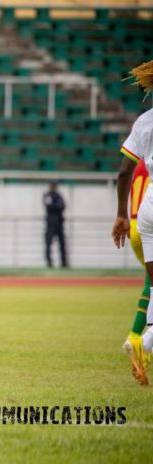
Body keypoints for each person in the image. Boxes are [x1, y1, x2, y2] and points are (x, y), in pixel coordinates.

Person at [112, 59, 153, 387]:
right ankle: (145, 342)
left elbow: (124, 171)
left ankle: (142, 343)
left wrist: (122, 214)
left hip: (147, 210)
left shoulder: (144, 121)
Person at [121, 159, 152, 383]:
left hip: (135, 226)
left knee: (150, 283)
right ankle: (141, 342)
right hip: (148, 225)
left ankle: (136, 337)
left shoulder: (139, 164)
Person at [43, 181, 67, 268]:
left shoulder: (59, 195)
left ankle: (64, 263)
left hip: (59, 223)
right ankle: (49, 262)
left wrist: (56, 206)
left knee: (62, 243)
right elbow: (49, 207)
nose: (54, 187)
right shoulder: (47, 195)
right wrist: (57, 206)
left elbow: (63, 206)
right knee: (48, 243)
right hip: (50, 223)